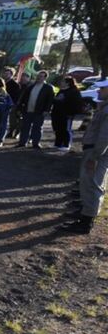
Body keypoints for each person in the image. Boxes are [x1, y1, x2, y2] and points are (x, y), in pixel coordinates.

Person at [60, 80, 108, 234]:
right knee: (87, 184)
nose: (99, 91)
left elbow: (104, 137)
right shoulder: (105, 107)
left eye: (102, 88)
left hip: (97, 153)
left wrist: (94, 156)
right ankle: (85, 213)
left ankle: (86, 222)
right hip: (94, 151)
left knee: (93, 185)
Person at [16, 70, 55, 149]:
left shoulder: (48, 88)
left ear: (45, 78)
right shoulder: (31, 86)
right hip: (28, 110)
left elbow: (50, 100)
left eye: (41, 76)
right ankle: (22, 142)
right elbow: (24, 98)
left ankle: (35, 143)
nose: (38, 78)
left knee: (37, 128)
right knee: (25, 127)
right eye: (38, 76)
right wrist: (20, 108)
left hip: (39, 111)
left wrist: (47, 110)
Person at [50, 76, 84, 150]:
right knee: (58, 129)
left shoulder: (74, 91)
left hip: (67, 114)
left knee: (66, 129)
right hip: (57, 113)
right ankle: (58, 143)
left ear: (67, 83)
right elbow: (56, 100)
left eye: (63, 82)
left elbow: (76, 103)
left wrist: (71, 112)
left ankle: (66, 145)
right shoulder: (61, 91)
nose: (61, 83)